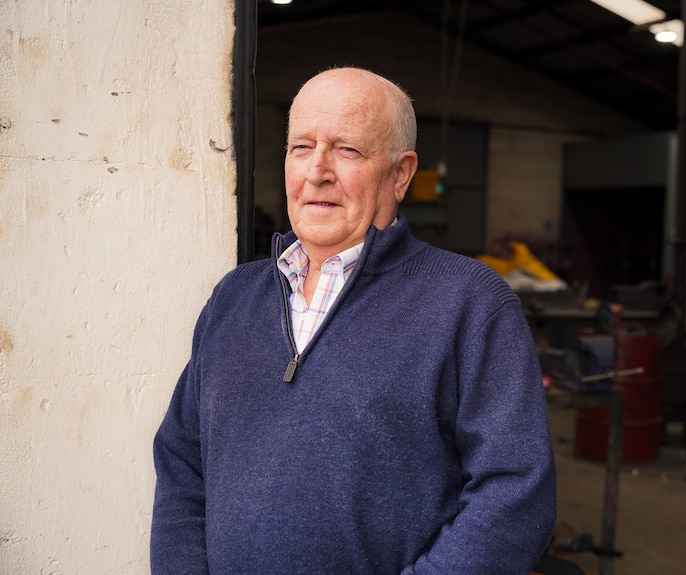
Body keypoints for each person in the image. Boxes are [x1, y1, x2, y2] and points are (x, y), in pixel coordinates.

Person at [150, 66, 556, 575]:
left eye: (347, 150)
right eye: (301, 148)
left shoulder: (470, 303)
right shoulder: (234, 297)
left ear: (401, 174)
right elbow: (181, 461)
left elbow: (516, 496)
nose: (316, 171)